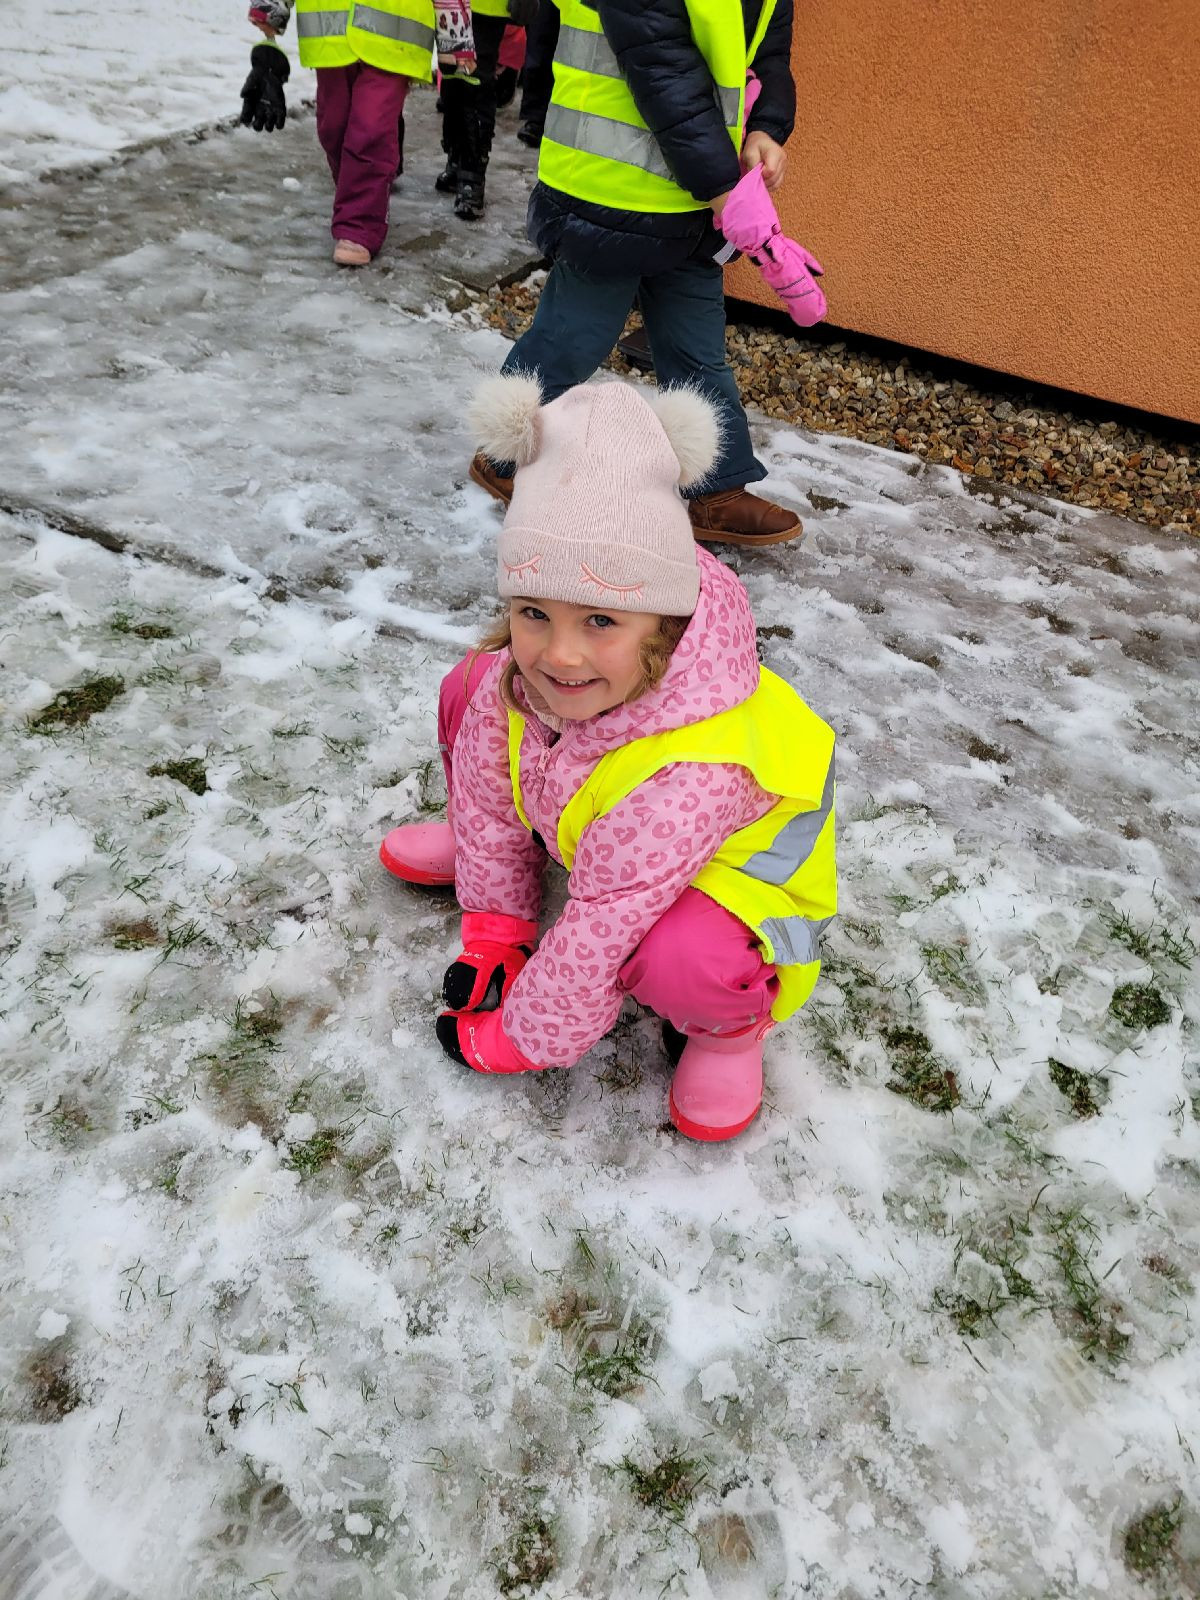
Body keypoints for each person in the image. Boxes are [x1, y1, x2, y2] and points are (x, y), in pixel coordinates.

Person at [381, 377, 837, 1141]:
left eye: (600, 620)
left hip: (730, 884)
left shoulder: (693, 769)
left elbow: (602, 928)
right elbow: (493, 794)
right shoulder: (527, 675)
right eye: (534, 612)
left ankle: (728, 1033)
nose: (559, 654)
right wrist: (498, 929)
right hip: (608, 836)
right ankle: (494, 868)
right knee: (472, 688)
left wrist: (521, 1037)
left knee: (681, 954)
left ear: (662, 625)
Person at [468, 0, 818, 547]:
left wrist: (766, 127)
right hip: (611, 191)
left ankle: (716, 487)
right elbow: (664, 72)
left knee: (697, 351)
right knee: (573, 338)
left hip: (694, 200)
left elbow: (765, 55)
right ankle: (502, 457)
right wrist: (723, 190)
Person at [246, 0, 435, 265]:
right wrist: (269, 7)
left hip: (397, 39)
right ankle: (359, 192)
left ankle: (358, 227)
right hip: (331, 36)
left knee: (371, 129)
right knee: (333, 127)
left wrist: (457, 40)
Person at [436, 1, 529, 220]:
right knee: (452, 80)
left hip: (488, 9)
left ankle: (472, 174)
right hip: (451, 6)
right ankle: (456, 157)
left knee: (476, 85)